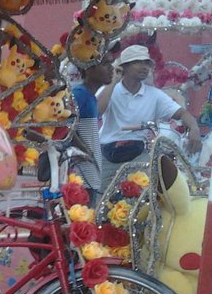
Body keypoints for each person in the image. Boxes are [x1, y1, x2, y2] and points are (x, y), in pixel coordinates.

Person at [97, 44, 202, 187]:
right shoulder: (109, 91)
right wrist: (113, 81)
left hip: (138, 153)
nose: (144, 67)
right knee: (99, 200)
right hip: (107, 154)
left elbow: (182, 113)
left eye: (146, 63)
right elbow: (97, 111)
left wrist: (194, 129)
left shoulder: (155, 95)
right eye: (138, 62)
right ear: (124, 67)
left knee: (142, 195)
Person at [70, 53, 114, 205]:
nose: (111, 69)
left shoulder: (90, 96)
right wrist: (84, 150)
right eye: (105, 64)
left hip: (90, 174)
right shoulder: (79, 94)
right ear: (88, 69)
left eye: (111, 64)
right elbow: (64, 126)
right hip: (82, 176)